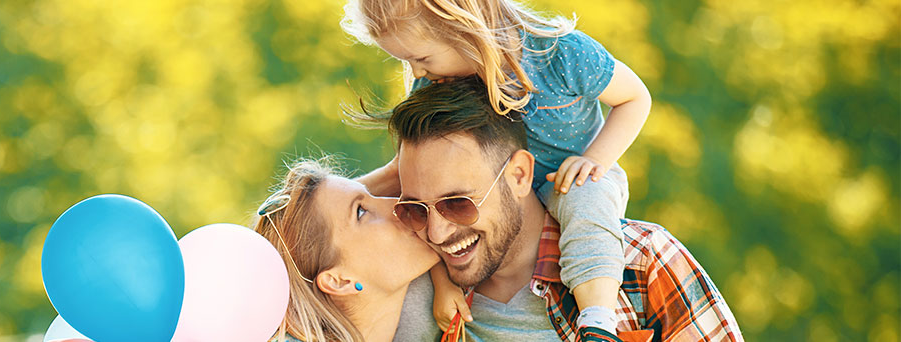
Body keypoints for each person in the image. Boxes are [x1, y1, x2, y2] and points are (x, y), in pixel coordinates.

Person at [343, 0, 654, 335]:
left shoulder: (562, 54)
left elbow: (635, 98)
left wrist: (594, 160)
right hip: (500, 208)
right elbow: (422, 190)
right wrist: (443, 283)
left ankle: (598, 320)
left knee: (585, 200)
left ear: (463, 27)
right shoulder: (441, 81)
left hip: (572, 178)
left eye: (421, 58)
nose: (417, 72)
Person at [385, 77, 741, 341]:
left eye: (457, 203)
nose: (435, 232)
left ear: (520, 175)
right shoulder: (412, 297)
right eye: (415, 210)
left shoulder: (644, 263)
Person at [249, 157, 440, 341]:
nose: (397, 202)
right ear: (339, 281)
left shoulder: (452, 292)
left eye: (374, 194)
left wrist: (393, 172)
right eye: (360, 212)